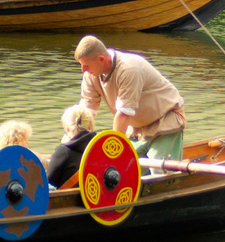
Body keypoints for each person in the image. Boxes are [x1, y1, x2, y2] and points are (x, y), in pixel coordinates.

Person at [74, 34, 186, 162]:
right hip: (136, 129)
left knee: (159, 172)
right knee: (122, 171)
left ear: (101, 59)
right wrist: (76, 145)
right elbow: (86, 113)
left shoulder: (129, 68)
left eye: (86, 65)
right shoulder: (90, 75)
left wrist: (113, 154)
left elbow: (123, 115)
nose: (83, 70)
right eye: (81, 65)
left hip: (165, 121)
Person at [46, 105, 97, 188]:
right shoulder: (101, 148)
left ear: (68, 128)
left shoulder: (63, 151)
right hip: (95, 199)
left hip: (67, 200)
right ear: (89, 126)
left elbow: (48, 182)